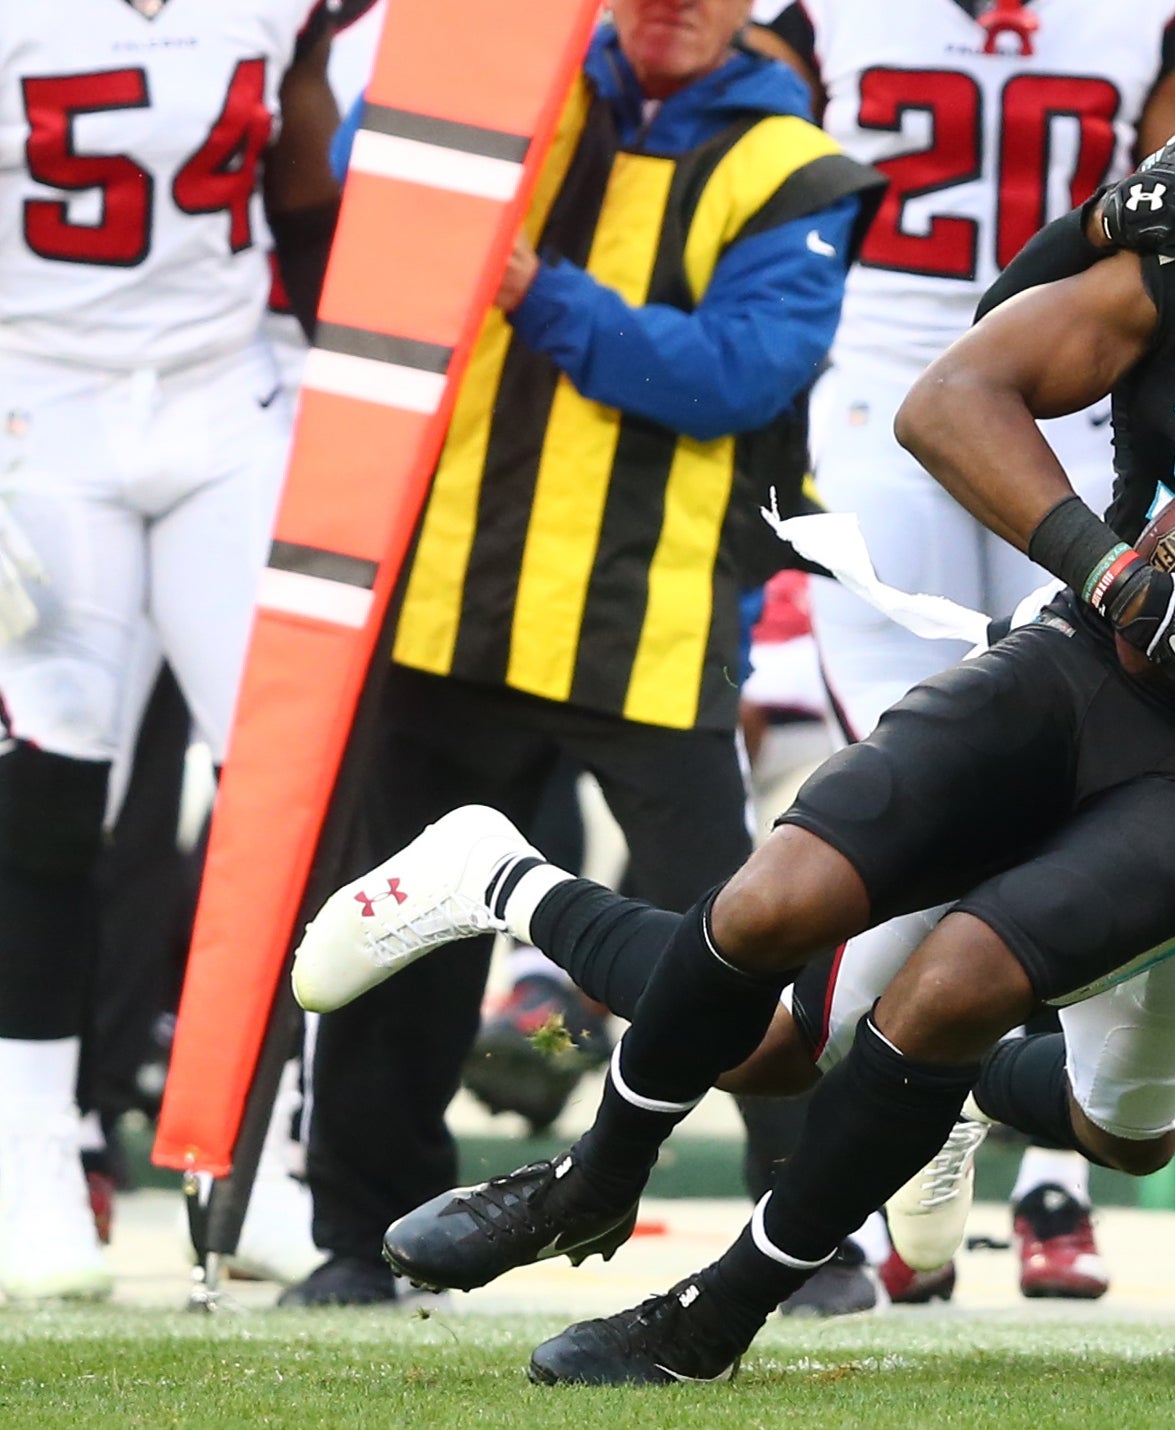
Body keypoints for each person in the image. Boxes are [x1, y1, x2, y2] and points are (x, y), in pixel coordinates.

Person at [298, 20, 1175, 1384]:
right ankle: (594, 1173)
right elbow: (959, 387)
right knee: (774, 914)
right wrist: (1118, 570)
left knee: (964, 1009)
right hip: (1080, 660)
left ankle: (716, 1314)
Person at [279, 0, 886, 1308]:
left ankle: (812, 1240)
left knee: (739, 936)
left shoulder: (796, 165)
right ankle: (361, 1234)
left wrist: (531, 290)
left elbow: (738, 374)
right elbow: (342, 235)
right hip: (451, 587)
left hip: (649, 608)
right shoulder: (490, 98)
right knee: (401, 930)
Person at [742, 0, 1175, 1299]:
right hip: (875, 378)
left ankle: (1044, 1175)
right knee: (912, 779)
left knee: (1093, 779)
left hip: (1066, 399)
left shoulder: (1154, 16)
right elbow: (753, 179)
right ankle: (895, 1135)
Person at [0, 0, 340, 1303]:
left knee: (285, 784)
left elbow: (304, 191)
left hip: (223, 395)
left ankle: (263, 1157)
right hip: (36, 402)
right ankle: (32, 1154)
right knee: (47, 782)